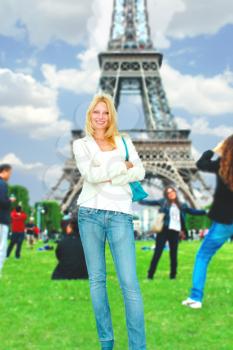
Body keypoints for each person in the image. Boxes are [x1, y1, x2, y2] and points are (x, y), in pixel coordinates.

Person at [73, 93, 147, 350]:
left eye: (105, 112)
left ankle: (137, 346)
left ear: (111, 116)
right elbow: (90, 176)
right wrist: (121, 168)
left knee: (130, 283)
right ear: (90, 115)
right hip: (90, 213)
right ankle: (107, 342)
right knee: (97, 280)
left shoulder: (124, 141)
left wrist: (110, 173)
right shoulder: (81, 144)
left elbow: (140, 171)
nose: (101, 117)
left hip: (120, 215)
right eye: (96, 112)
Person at [182, 135, 233, 309]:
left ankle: (196, 298)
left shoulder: (221, 165)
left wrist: (214, 150)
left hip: (224, 221)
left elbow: (200, 164)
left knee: (203, 257)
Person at [139, 186, 206, 280]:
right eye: (168, 192)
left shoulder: (182, 205)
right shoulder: (163, 202)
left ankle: (173, 276)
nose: (171, 193)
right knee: (157, 253)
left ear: (175, 192)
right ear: (166, 195)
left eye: (172, 191)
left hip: (175, 232)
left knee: (173, 255)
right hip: (163, 231)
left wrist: (206, 211)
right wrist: (139, 198)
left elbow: (192, 211)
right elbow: (149, 202)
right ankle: (150, 275)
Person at [0, 164, 15, 276]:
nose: (10, 176)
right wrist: (10, 201)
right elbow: (3, 201)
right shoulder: (2, 184)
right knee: (1, 247)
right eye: (9, 173)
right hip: (1, 219)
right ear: (3, 172)